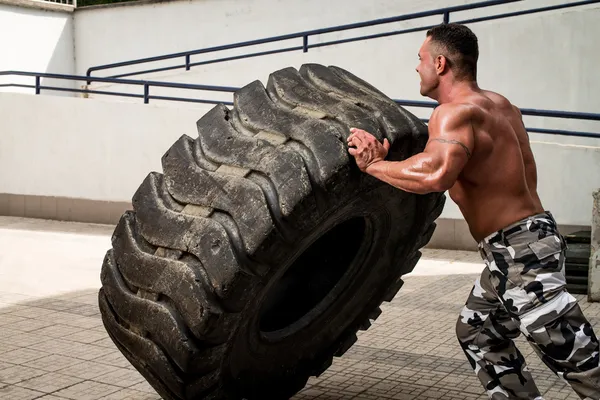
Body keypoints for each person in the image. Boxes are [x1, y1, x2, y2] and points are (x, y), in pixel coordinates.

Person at [346, 23, 600, 400]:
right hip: (523, 242)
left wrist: (372, 166)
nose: (416, 68)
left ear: (441, 63)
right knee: (479, 332)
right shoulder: (501, 106)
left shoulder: (452, 113)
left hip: (520, 253)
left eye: (420, 59)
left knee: (581, 364)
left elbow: (434, 173)